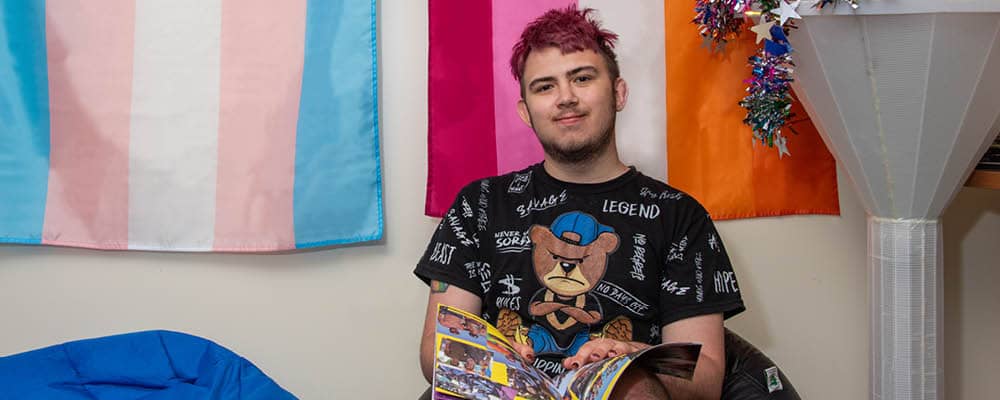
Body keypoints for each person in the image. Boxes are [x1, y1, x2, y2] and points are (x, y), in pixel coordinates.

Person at [416, 5, 744, 399]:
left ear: (618, 93)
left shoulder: (679, 216)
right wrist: (494, 357)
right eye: (545, 86)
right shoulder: (479, 205)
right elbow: (436, 351)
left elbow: (706, 379)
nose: (565, 98)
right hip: (506, 392)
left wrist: (632, 357)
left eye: (582, 78)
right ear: (526, 111)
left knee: (635, 387)